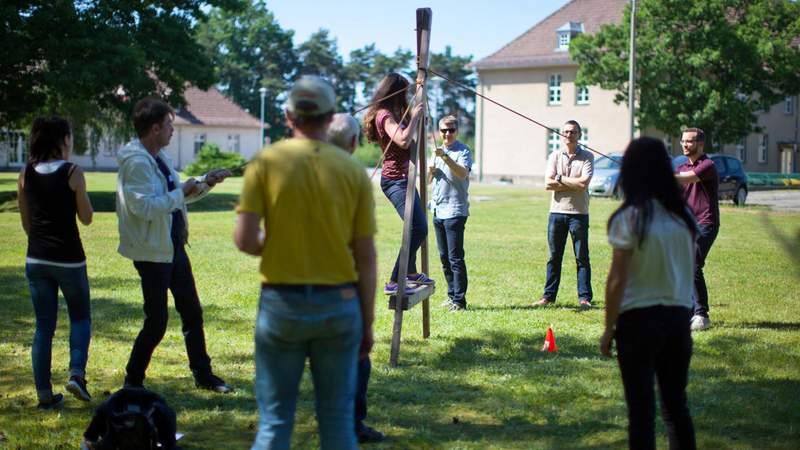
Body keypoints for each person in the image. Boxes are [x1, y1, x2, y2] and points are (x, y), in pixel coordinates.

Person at [234, 76, 377, 450]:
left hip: (281, 305)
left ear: (287, 115)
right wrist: (368, 321)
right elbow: (366, 256)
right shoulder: (352, 172)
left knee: (275, 423)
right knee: (337, 425)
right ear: (331, 118)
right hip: (340, 305)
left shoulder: (266, 162)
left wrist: (281, 243)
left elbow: (246, 240)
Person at [116, 97, 232, 393]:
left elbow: (178, 196)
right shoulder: (136, 162)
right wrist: (182, 190)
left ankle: (203, 375)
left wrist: (206, 182)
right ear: (155, 128)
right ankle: (133, 381)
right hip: (152, 252)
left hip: (173, 247)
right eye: (169, 125)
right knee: (156, 322)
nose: (172, 131)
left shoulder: (159, 157)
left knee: (192, 311)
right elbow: (144, 208)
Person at [600, 137, 698, 450]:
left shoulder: (629, 218)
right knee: (675, 408)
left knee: (641, 414)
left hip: (638, 323)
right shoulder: (685, 218)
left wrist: (608, 328)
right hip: (679, 321)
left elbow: (617, 280)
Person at [17, 117, 94, 409]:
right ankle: (76, 373)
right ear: (62, 139)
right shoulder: (73, 172)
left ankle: (44, 394)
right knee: (80, 317)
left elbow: (27, 224)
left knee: (43, 327)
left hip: (36, 258)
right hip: (70, 260)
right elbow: (86, 219)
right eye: (70, 137)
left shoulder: (25, 174)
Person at [327, 112, 385, 444]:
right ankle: (350, 424)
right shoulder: (352, 179)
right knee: (356, 361)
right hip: (340, 285)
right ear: (352, 143)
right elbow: (364, 252)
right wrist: (367, 318)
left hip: (298, 286)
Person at [363, 72, 434, 295]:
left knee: (418, 227)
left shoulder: (395, 112)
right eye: (403, 92)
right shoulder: (384, 115)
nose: (405, 96)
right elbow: (403, 141)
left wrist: (420, 121)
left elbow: (411, 139)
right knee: (417, 227)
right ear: (392, 92)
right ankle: (395, 279)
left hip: (406, 179)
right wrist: (414, 117)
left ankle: (410, 271)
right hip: (394, 181)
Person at [536, 120, 594, 309]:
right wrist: (572, 182)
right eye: (566, 132)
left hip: (579, 213)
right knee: (554, 257)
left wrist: (559, 179)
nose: (569, 135)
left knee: (581, 257)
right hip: (556, 213)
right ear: (561, 135)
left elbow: (583, 184)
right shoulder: (554, 155)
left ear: (579, 135)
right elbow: (547, 184)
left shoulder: (587, 157)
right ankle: (548, 296)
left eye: (573, 132)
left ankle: (584, 298)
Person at [674, 127, 719, 331]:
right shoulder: (681, 167)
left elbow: (687, 178)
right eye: (683, 141)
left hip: (706, 222)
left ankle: (702, 315)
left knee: (693, 263)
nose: (684, 144)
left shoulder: (707, 165)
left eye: (689, 141)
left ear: (700, 144)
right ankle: (691, 311)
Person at [427, 115, 472, 311]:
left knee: (455, 258)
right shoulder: (436, 151)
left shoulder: (463, 150)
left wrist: (444, 157)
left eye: (451, 130)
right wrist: (430, 170)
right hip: (437, 209)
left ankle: (460, 301)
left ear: (457, 131)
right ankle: (451, 295)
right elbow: (429, 180)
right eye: (443, 130)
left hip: (455, 210)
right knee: (444, 257)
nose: (446, 134)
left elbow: (462, 173)